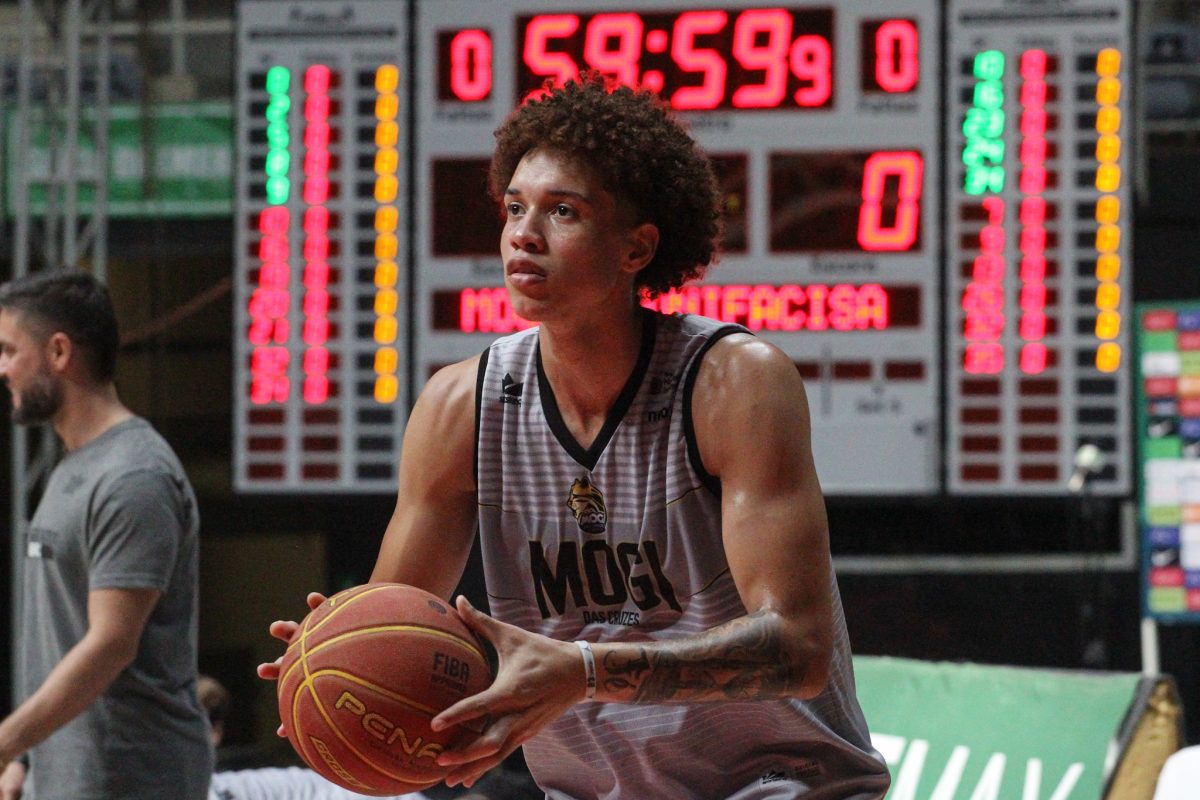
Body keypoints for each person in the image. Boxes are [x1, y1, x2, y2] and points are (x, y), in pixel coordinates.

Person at [263, 74, 889, 799]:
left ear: (636, 248)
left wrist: (585, 671)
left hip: (779, 786)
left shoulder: (733, 383)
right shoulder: (460, 406)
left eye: (563, 211)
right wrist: (336, 662)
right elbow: (397, 623)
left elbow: (799, 650)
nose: (524, 234)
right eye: (515, 208)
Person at [0, 269, 213, 800]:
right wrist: (24, 759)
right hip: (73, 777)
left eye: (9, 350)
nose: (2, 369)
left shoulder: (134, 476)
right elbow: (60, 632)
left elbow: (111, 644)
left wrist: (6, 741)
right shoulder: (78, 466)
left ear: (58, 352)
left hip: (131, 779)